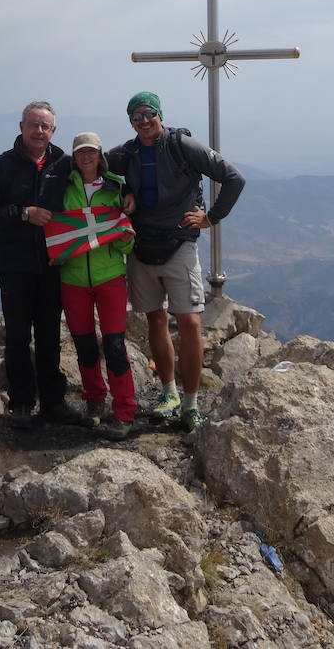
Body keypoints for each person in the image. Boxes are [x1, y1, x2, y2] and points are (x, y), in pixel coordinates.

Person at [107, 91, 246, 432]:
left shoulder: (182, 145)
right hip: (141, 244)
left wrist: (210, 218)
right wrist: (121, 192)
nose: (144, 121)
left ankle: (191, 402)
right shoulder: (126, 153)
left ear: (160, 114)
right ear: (130, 121)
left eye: (149, 114)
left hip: (179, 242)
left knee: (190, 322)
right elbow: (93, 169)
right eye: (136, 116)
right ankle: (169, 393)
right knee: (155, 319)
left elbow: (233, 177)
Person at [0, 101, 88, 429]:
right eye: (33, 124)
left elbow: (96, 181)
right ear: (21, 127)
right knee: (17, 336)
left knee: (50, 335)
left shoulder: (65, 164)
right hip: (14, 265)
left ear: (53, 130)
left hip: (54, 265)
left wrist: (125, 194)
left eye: (45, 126)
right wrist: (23, 213)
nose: (39, 131)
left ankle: (53, 403)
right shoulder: (3, 165)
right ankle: (21, 403)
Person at [55, 131, 137, 441]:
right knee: (85, 345)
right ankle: (94, 400)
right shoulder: (63, 187)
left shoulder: (117, 187)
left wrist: (126, 240)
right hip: (73, 278)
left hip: (109, 276)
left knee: (115, 345)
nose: (86, 156)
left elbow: (125, 237)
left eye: (91, 151)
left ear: (100, 155)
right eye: (80, 152)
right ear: (74, 157)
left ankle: (125, 411)